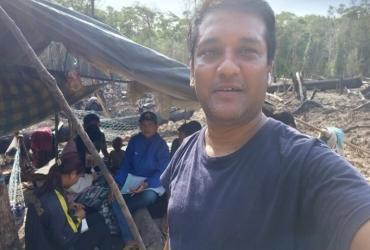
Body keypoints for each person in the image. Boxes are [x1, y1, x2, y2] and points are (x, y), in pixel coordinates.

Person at [160, 1, 370, 250]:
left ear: (268, 67)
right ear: (192, 69)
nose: (227, 67)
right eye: (211, 51)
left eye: (247, 51)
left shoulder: (306, 166)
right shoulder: (184, 153)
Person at [36, 148, 112, 250]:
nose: (77, 181)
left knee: (97, 218)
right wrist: (78, 217)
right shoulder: (55, 200)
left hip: (59, 234)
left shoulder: (53, 186)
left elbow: (58, 219)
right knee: (101, 229)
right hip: (65, 244)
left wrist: (68, 207)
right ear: (72, 174)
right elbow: (65, 238)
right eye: (78, 177)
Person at [113, 111, 170, 245]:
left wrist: (146, 184)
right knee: (114, 198)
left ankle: (123, 211)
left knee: (148, 197)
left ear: (156, 127)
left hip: (151, 184)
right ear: (140, 126)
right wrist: (116, 183)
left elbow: (163, 171)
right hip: (132, 181)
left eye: (150, 124)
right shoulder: (134, 141)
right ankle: (129, 239)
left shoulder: (161, 145)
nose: (146, 128)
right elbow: (125, 164)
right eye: (143, 125)